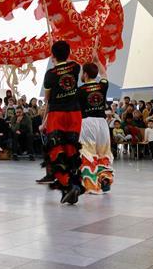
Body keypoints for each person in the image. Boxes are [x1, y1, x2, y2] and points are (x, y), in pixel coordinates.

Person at [38, 41, 84, 204]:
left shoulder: (50, 74)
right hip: (75, 113)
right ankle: (74, 185)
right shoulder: (75, 67)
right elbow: (69, 62)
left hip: (57, 114)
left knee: (56, 152)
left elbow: (47, 99)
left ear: (53, 55)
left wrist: (44, 122)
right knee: (71, 150)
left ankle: (67, 185)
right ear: (68, 53)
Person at [77, 61, 113, 194]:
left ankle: (91, 185)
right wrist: (97, 60)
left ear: (85, 74)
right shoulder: (102, 86)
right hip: (102, 123)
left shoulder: (80, 90)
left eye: (82, 72)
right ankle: (105, 180)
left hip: (87, 122)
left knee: (88, 152)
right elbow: (104, 74)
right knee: (103, 152)